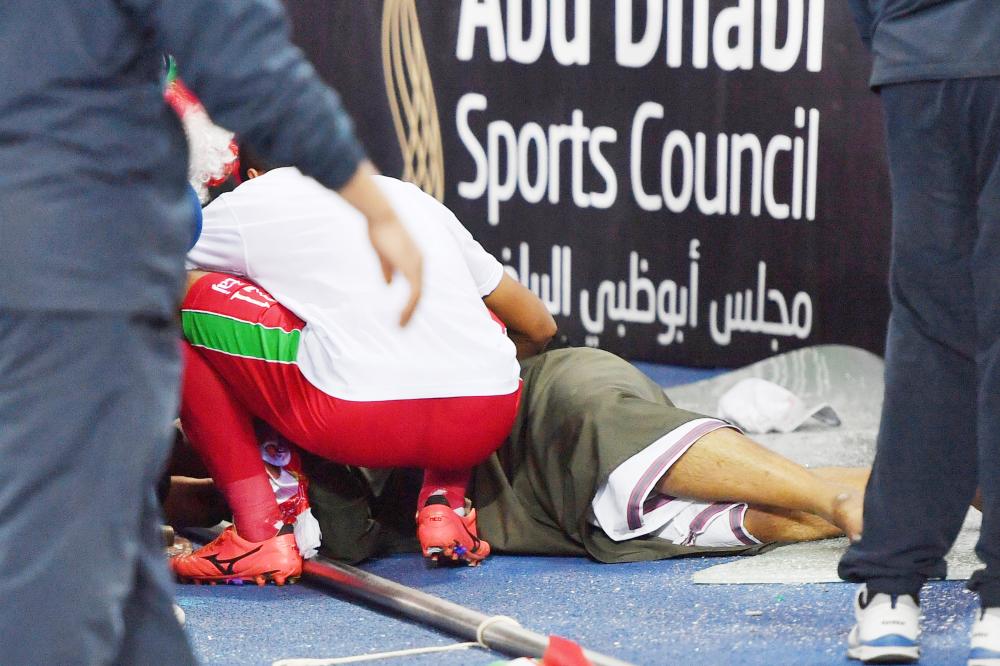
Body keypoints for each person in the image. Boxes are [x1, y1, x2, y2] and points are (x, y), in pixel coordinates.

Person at [0, 2, 423, 663]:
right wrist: (370, 202)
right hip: (76, 275)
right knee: (60, 574)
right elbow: (246, 63)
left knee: (118, 563)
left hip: (56, 269)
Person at [172, 158, 556, 583]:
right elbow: (539, 326)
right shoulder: (410, 197)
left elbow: (143, 274)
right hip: (483, 422)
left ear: (252, 174)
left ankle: (258, 531)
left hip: (350, 419)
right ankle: (444, 503)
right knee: (472, 319)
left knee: (174, 295)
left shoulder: (251, 199)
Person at [169, 343, 868, 566]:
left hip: (534, 407)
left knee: (602, 431)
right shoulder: (207, 403)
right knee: (691, 522)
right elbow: (212, 495)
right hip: (517, 512)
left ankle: (839, 498)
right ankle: (910, 490)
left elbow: (529, 324)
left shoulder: (376, 259)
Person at [837, 2, 1000, 664]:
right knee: (942, 317)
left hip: (921, 49)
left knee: (932, 323)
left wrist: (904, 27)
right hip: (923, 49)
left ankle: (890, 588)